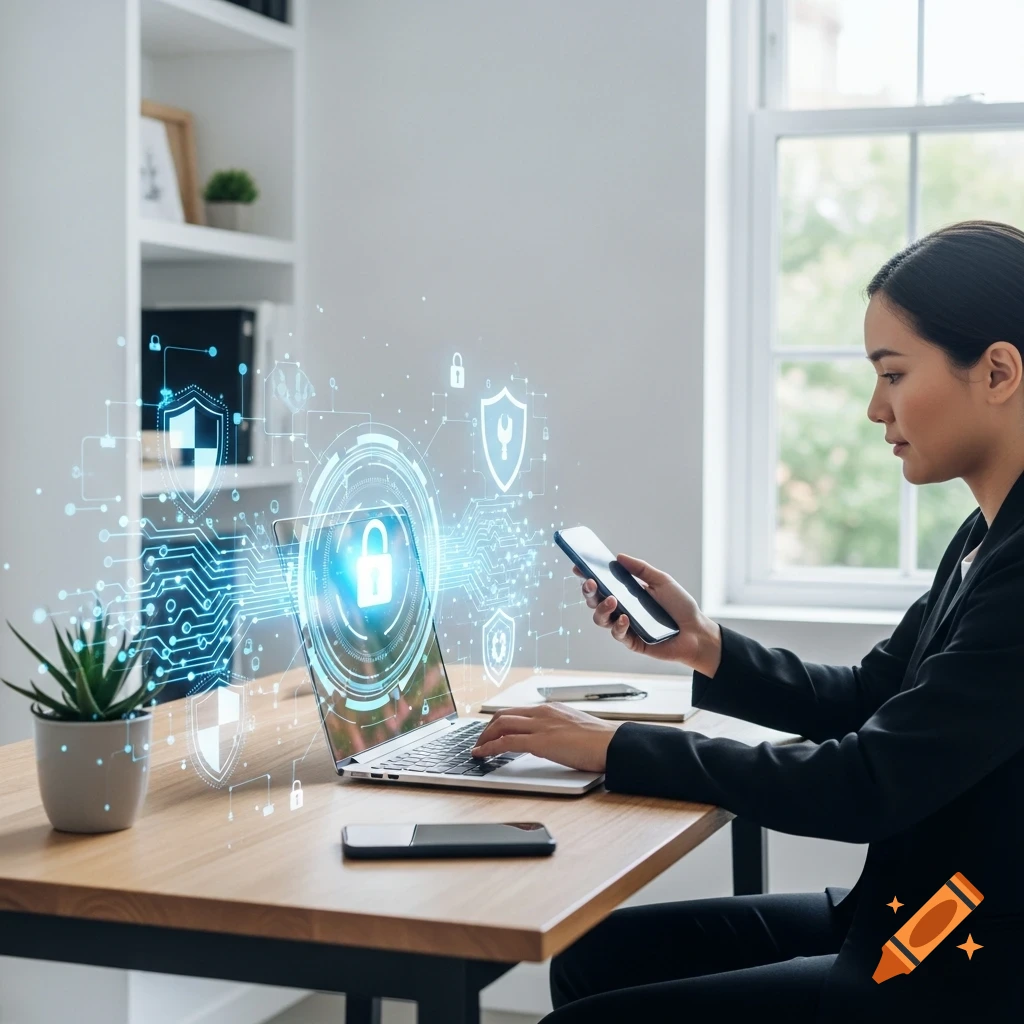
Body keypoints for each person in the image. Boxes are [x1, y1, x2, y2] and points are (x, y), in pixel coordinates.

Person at [471, 220, 1024, 1022]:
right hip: (903, 916)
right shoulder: (984, 535)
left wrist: (617, 747)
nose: (877, 409)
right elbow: (871, 695)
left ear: (999, 371)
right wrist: (706, 647)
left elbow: (865, 785)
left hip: (957, 961)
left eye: (894, 374)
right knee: (595, 958)